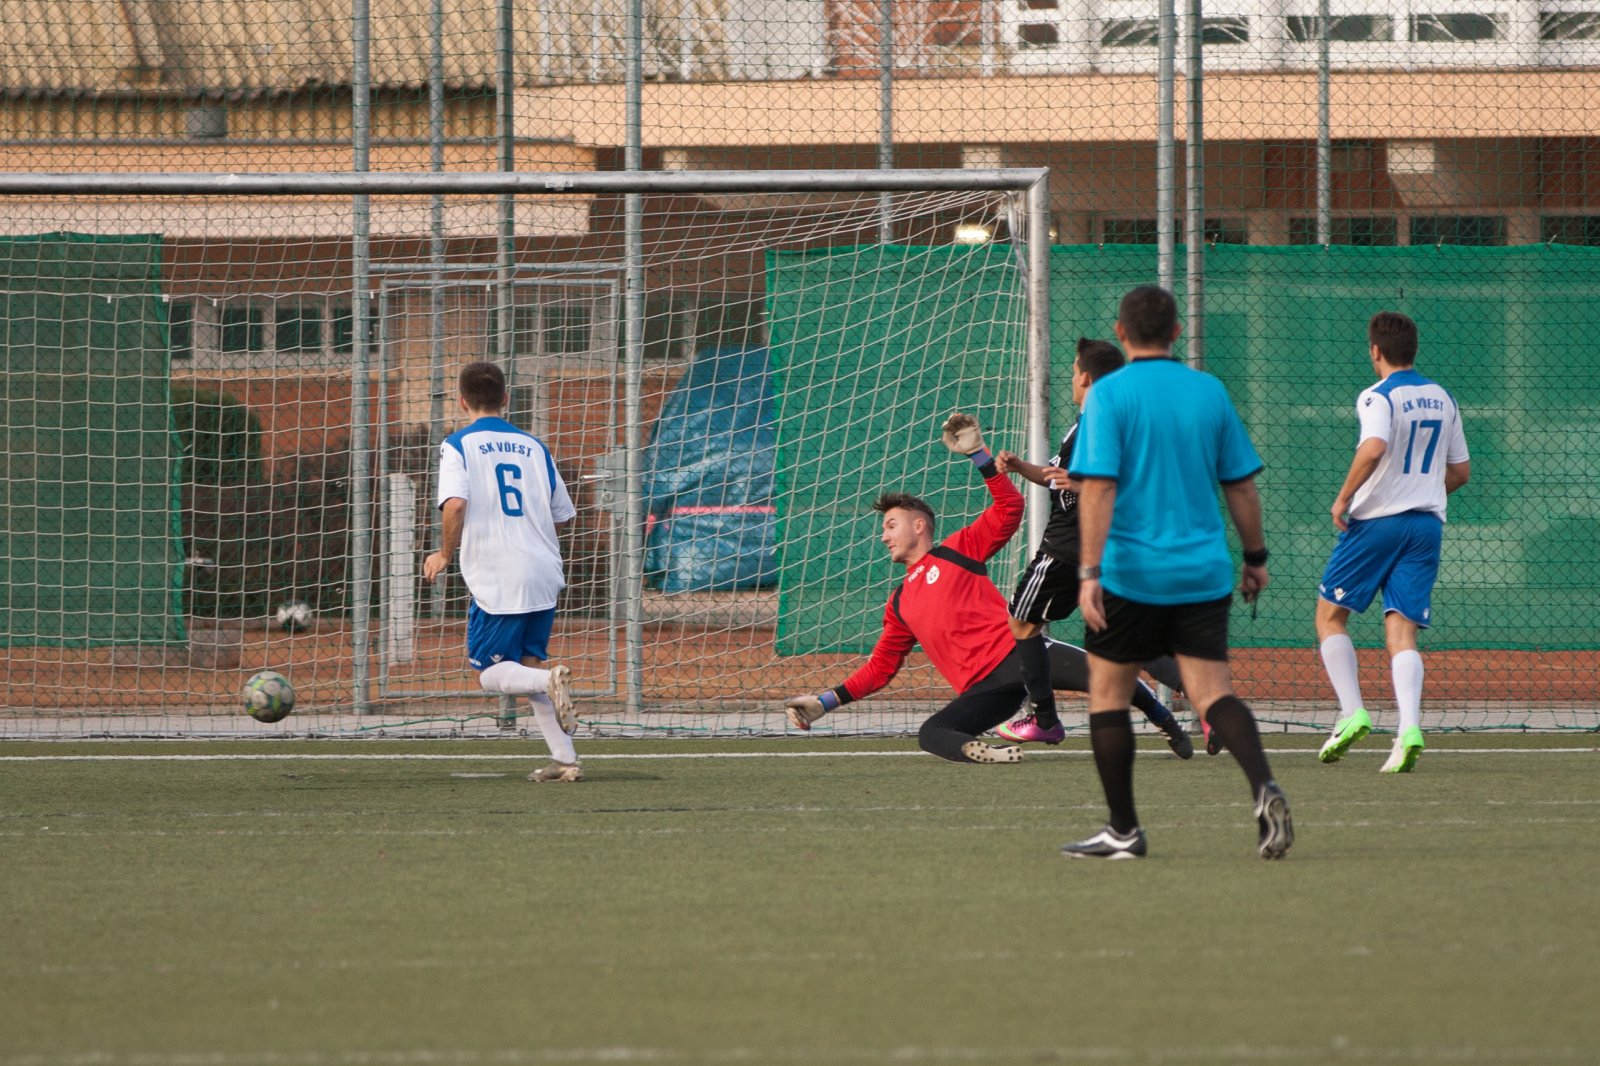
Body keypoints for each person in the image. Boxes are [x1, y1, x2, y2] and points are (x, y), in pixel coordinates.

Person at [781, 412, 1182, 762]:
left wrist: (978, 455)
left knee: (1115, 675)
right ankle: (988, 754)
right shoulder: (899, 603)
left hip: (1023, 655)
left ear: (918, 525)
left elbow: (1010, 508)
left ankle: (1168, 721)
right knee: (931, 734)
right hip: (986, 690)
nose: (884, 536)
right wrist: (824, 702)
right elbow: (880, 669)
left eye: (890, 525)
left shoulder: (958, 549)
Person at [1063, 285, 1292, 860]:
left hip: (1130, 574)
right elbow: (1241, 486)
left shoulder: (1109, 394)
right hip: (1201, 572)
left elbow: (1098, 488)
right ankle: (1264, 786)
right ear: (1177, 332)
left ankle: (1124, 830)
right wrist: (1256, 558)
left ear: (1121, 333)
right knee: (1213, 693)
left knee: (1108, 695)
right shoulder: (1208, 390)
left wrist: (1089, 571)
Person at [993, 336, 1193, 759]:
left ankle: (1044, 719)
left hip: (1068, 547)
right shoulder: (1099, 422)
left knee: (1022, 623)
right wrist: (1020, 467)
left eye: (1072, 372)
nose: (1070, 379)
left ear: (1085, 377)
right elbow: (1059, 476)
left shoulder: (1098, 424)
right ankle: (1205, 698)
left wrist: (1080, 484)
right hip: (1106, 547)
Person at [1315, 311, 1471, 774]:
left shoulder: (1377, 395)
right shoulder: (1444, 398)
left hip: (1377, 524)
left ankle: (1352, 713)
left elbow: (1374, 447)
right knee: (1402, 632)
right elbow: (1461, 472)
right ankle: (1408, 729)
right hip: (1426, 527)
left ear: (1376, 351)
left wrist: (1343, 498)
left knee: (1330, 615)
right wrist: (1422, 491)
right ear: (1413, 350)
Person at [423, 361, 581, 782]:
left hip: (499, 574)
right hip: (543, 570)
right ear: (506, 398)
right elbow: (563, 515)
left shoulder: (457, 444)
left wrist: (444, 553)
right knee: (528, 667)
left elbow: (455, 504)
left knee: (491, 675)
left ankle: (550, 682)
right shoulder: (535, 446)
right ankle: (566, 760)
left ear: (462, 401)